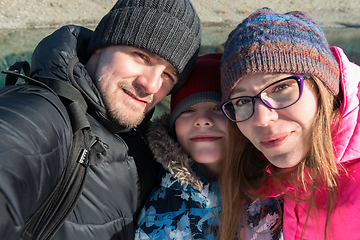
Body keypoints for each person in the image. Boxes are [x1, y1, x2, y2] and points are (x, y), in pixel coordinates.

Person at [0, 0, 202, 239]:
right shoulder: (41, 115)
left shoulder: (145, 142)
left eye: (168, 75)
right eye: (142, 56)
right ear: (101, 44)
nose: (151, 85)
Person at [218, 7, 360, 240]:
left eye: (281, 87)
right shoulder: (263, 177)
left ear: (323, 87)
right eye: (242, 100)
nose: (263, 119)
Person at [135, 53, 282, 240]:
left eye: (218, 108)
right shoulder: (158, 209)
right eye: (188, 110)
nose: (202, 120)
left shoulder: (280, 187)